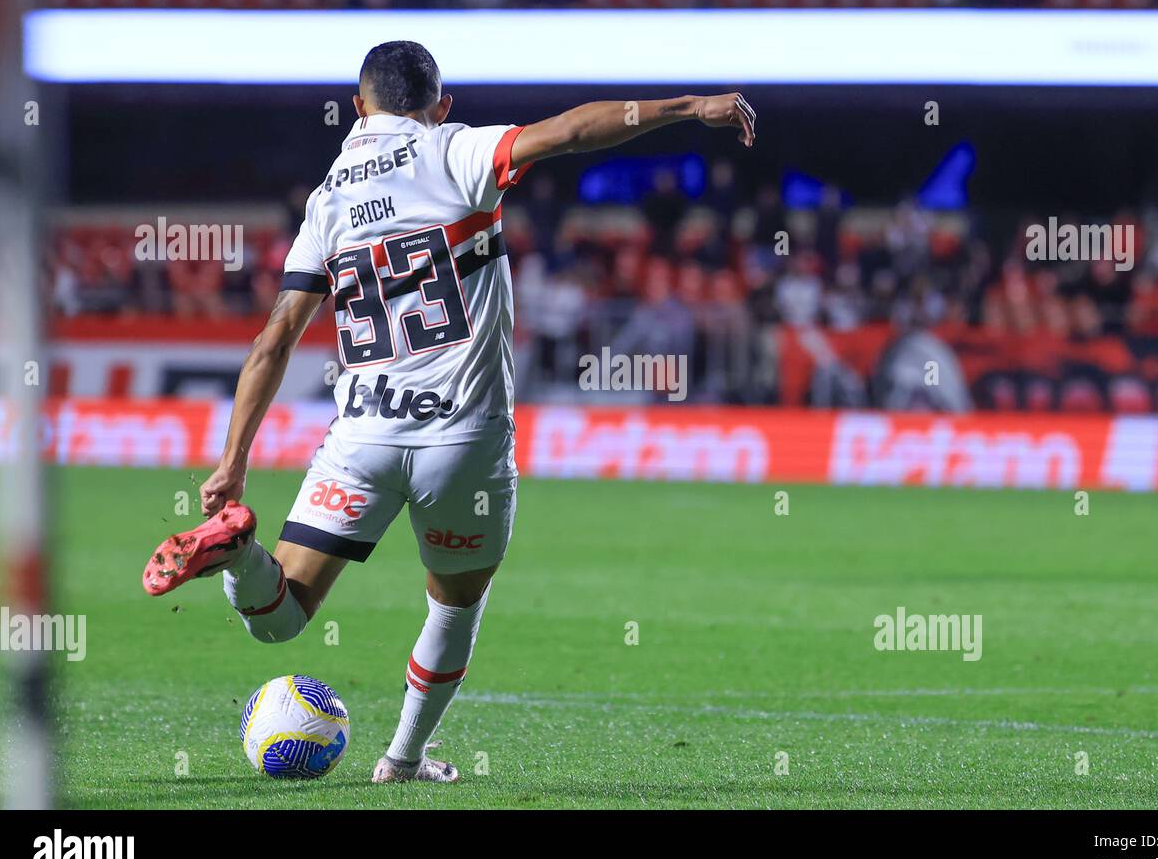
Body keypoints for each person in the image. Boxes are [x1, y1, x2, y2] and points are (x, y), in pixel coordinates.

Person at [141, 40, 756, 783]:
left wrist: (232, 459)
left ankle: (237, 553)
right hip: (462, 437)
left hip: (361, 434)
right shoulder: (456, 151)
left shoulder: (328, 199)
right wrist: (689, 107)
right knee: (456, 605)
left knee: (281, 620)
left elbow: (275, 338)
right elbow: (571, 129)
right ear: (443, 105)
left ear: (358, 104)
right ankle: (402, 759)